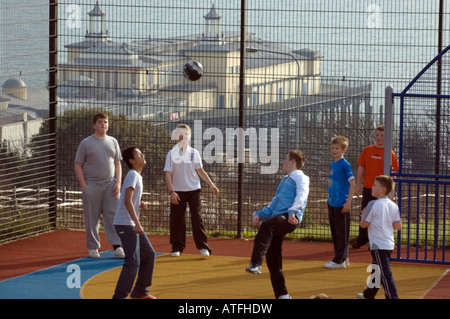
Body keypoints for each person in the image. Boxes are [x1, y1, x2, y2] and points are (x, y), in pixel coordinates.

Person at [245, 150, 310, 299]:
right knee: (273, 260)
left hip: (289, 217)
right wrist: (259, 214)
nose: (283, 162)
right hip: (279, 218)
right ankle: (283, 295)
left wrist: (293, 211)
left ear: (293, 161)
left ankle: (255, 263)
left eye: (285, 159)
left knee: (267, 226)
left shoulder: (300, 177)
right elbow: (274, 205)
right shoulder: (285, 180)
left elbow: (302, 195)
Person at [164, 124, 219, 257]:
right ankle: (177, 247)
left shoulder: (194, 153)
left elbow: (200, 171)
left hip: (194, 190)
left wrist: (212, 185)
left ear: (190, 136)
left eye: (186, 134)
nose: (183, 136)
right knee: (177, 220)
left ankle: (203, 247)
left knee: (197, 218)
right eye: (180, 133)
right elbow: (168, 174)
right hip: (177, 191)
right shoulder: (171, 153)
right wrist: (172, 192)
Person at [74, 112, 125, 259]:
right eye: (100, 122)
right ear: (94, 125)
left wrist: (118, 182)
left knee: (113, 216)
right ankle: (93, 247)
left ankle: (117, 246)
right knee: (92, 218)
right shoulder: (86, 143)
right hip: (92, 186)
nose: (104, 124)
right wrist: (85, 186)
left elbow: (117, 164)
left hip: (111, 186)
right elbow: (78, 165)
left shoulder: (113, 142)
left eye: (106, 122)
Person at [113, 146, 156, 299]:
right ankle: (119, 297)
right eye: (138, 154)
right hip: (126, 224)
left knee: (149, 254)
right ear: (132, 161)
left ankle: (139, 292)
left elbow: (130, 200)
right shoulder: (132, 175)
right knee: (132, 262)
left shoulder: (136, 175)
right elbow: (126, 200)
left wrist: (140, 204)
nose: (142, 154)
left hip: (130, 223)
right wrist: (137, 223)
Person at [353, 125, 399, 248]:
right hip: (369, 188)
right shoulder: (367, 150)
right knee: (365, 213)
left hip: (384, 192)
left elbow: (393, 175)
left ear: (387, 137)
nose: (379, 137)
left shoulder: (390, 153)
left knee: (381, 216)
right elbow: (361, 169)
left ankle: (376, 241)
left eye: (382, 136)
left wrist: (392, 193)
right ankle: (362, 238)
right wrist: (358, 185)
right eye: (377, 135)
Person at [357, 175, 401, 299]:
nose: (372, 187)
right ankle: (368, 295)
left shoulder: (372, 204)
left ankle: (393, 297)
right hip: (389, 244)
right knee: (377, 270)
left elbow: (363, 224)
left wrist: (363, 215)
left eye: (375, 185)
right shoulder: (393, 205)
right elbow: (398, 226)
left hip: (378, 244)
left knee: (385, 273)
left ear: (383, 189)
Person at [325, 136, 355, 269]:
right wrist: (328, 199)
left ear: (344, 150)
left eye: (337, 148)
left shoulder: (345, 164)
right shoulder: (333, 164)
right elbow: (332, 183)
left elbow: (352, 183)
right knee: (335, 232)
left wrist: (348, 202)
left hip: (342, 203)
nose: (334, 150)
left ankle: (339, 260)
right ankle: (343, 257)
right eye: (332, 148)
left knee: (342, 233)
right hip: (333, 202)